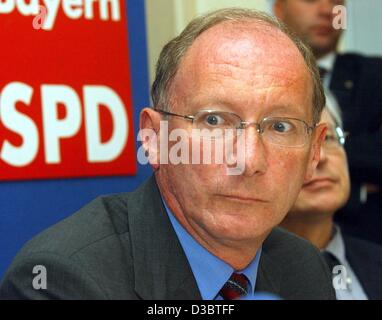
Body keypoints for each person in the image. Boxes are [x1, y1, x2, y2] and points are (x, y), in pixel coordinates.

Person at [0, 8, 333, 300]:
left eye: (280, 127)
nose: (248, 161)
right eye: (214, 120)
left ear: (314, 152)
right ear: (154, 139)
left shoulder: (304, 268)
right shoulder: (62, 280)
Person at [273, 0, 382, 245]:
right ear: (280, 8)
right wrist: (359, 191)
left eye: (336, 2)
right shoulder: (255, 80)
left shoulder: (375, 75)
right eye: (311, 0)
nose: (326, 11)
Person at [281, 91, 382, 300]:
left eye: (327, 138)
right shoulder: (237, 280)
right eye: (299, 144)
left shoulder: (375, 263)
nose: (321, 157)